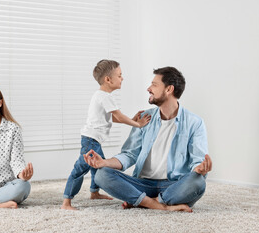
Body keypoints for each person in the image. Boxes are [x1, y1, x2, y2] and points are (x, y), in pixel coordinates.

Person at [84, 66, 212, 212]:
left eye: (154, 85)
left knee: (198, 182)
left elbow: (198, 161)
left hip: (173, 185)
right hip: (142, 183)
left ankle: (144, 201)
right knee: (102, 175)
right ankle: (162, 205)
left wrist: (200, 169)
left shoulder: (194, 122)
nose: (148, 88)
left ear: (169, 89)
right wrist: (104, 162)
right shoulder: (145, 118)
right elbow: (129, 155)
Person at [61, 60, 151, 210]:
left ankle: (94, 192)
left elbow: (114, 117)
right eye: (120, 75)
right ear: (108, 79)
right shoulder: (104, 96)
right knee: (80, 169)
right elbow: (119, 116)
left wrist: (132, 118)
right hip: (91, 141)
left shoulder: (101, 95)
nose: (122, 78)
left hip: (93, 139)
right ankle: (66, 202)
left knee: (99, 166)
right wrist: (138, 124)